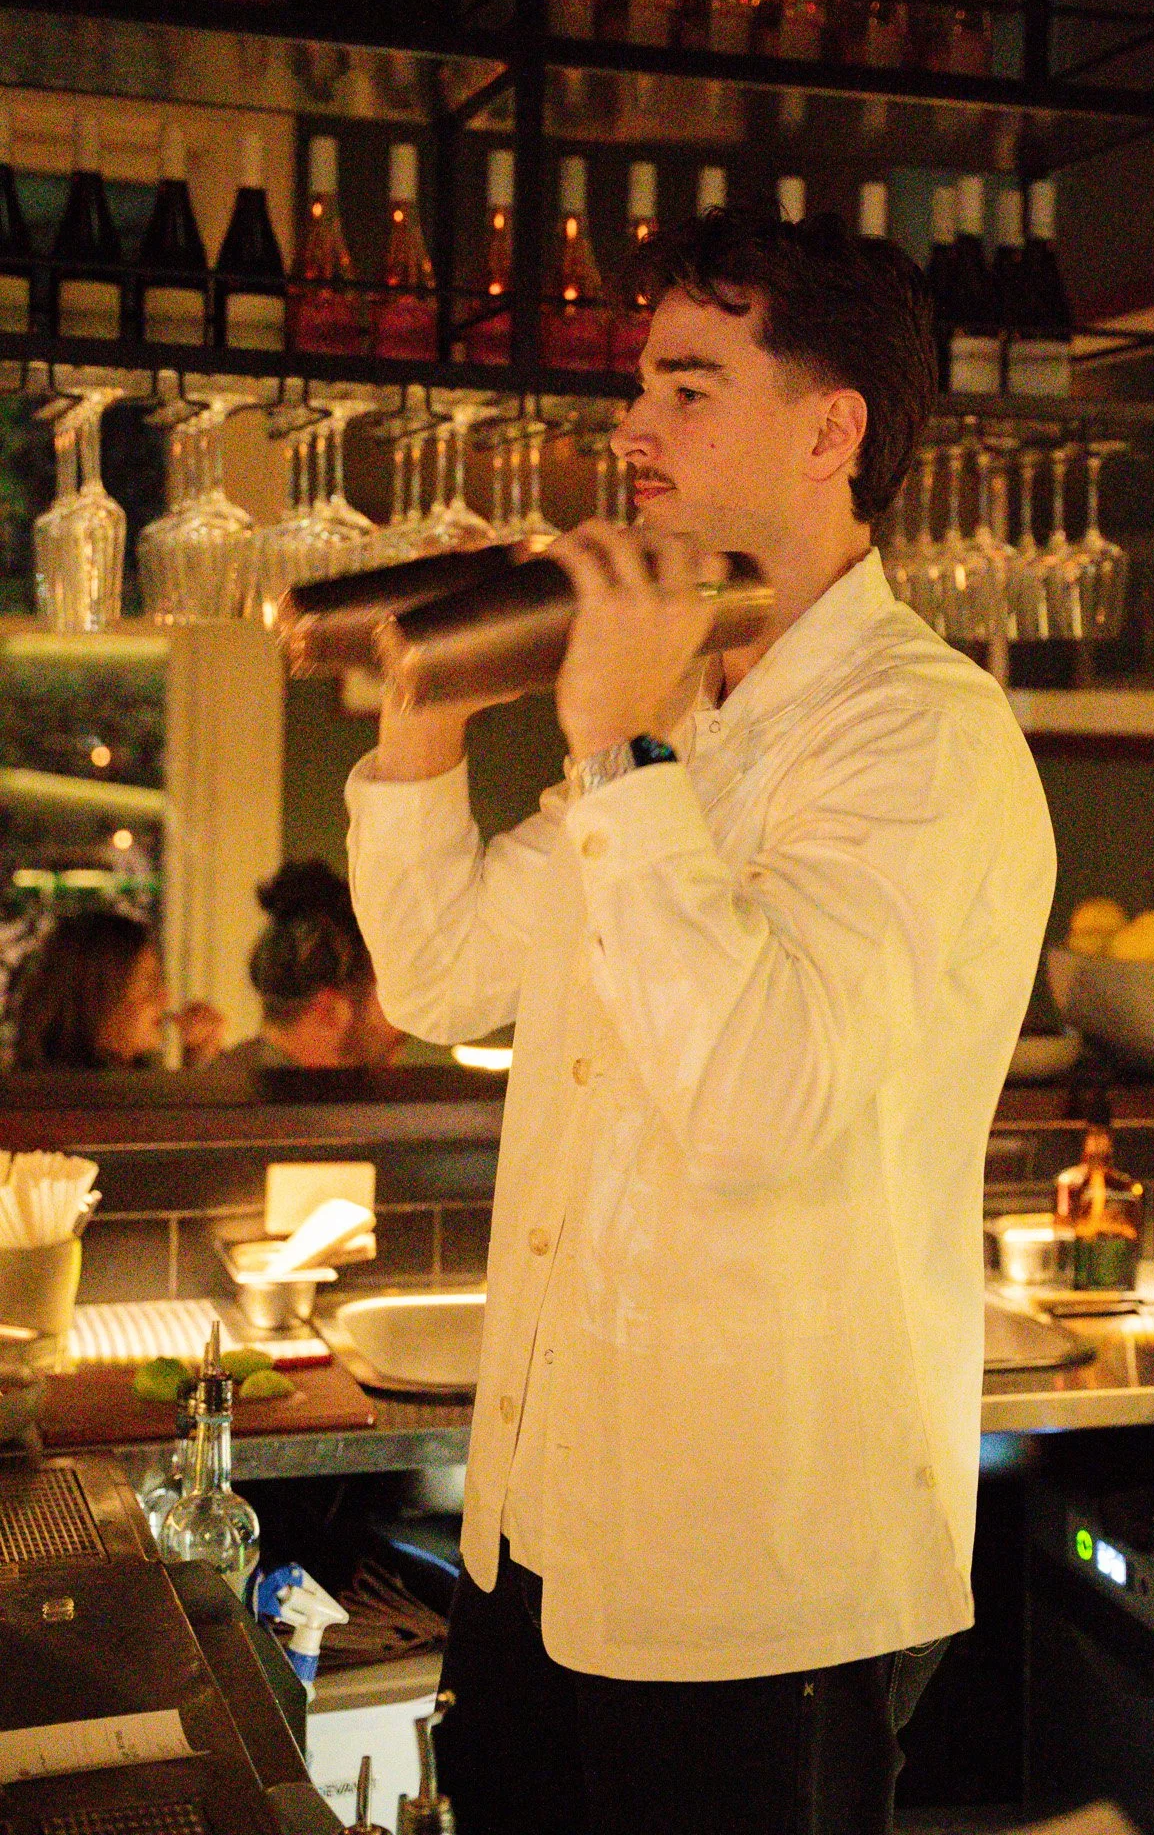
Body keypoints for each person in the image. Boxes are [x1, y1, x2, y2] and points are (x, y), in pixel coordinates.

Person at [346, 209, 1056, 1834]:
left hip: (757, 1587)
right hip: (540, 1539)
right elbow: (450, 979)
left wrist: (613, 758)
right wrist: (423, 726)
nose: (630, 427)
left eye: (686, 386)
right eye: (638, 388)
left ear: (831, 428)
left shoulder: (921, 741)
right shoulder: (686, 703)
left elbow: (756, 1109)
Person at [222, 859, 405, 1070]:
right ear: (329, 1011)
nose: (403, 1025)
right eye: (391, 998)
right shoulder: (229, 1094)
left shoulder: (226, 1082)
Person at [10, 909, 222, 1070]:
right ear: (96, 997)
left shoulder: (136, 1087)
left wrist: (199, 1062)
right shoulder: (63, 1105)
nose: (165, 999)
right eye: (149, 984)